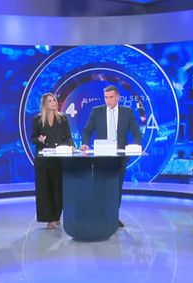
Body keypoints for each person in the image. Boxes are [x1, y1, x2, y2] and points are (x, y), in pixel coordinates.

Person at [81, 85, 142, 228]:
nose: (108, 100)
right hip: (101, 156)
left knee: (116, 188)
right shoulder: (97, 111)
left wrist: (136, 145)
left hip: (120, 157)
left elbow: (136, 132)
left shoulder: (127, 112)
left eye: (111, 97)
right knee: (100, 188)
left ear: (118, 97)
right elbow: (87, 130)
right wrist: (85, 144)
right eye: (106, 97)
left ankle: (113, 217)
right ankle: (99, 217)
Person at [31, 93, 73, 229]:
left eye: (54, 100)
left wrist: (71, 145)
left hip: (58, 159)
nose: (53, 102)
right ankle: (48, 217)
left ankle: (55, 218)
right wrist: (39, 140)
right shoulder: (37, 120)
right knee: (44, 190)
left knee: (57, 189)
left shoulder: (62, 118)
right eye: (50, 101)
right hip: (43, 160)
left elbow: (68, 137)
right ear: (44, 104)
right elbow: (33, 138)